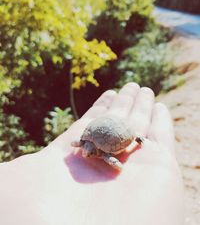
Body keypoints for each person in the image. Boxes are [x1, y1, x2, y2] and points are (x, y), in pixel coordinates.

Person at [0, 82, 184, 225]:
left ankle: (137, 139)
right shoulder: (83, 144)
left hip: (121, 130)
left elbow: (113, 161)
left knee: (130, 140)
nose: (85, 154)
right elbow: (77, 144)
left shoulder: (104, 153)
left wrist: (120, 161)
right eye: (85, 150)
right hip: (101, 127)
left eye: (87, 151)